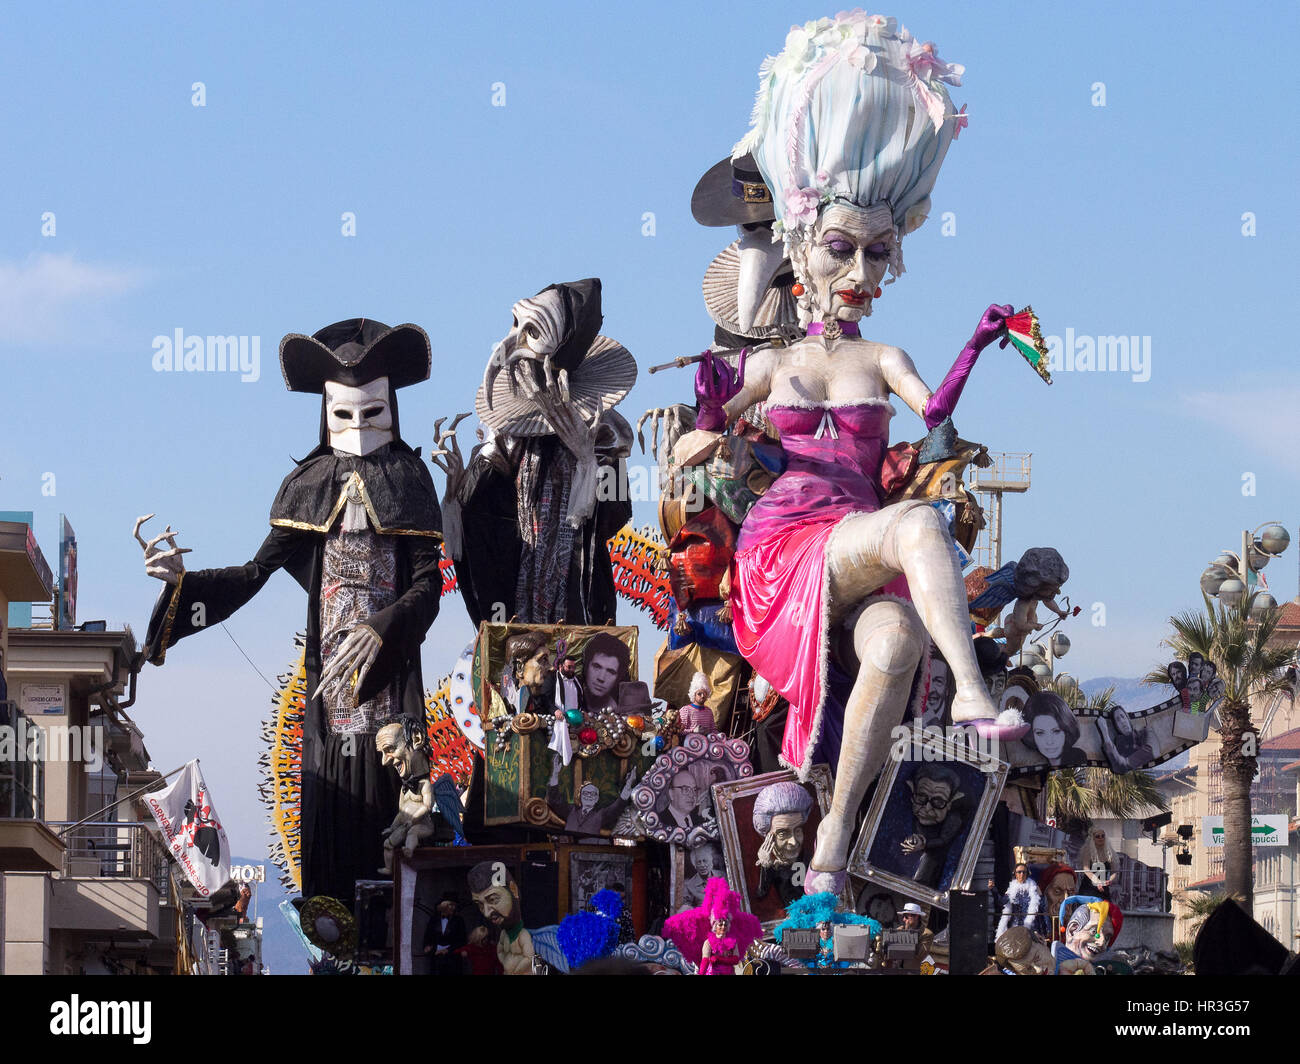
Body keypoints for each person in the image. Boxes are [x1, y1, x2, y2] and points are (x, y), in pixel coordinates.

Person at [696, 15, 1013, 896]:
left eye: (878, 252)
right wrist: (707, 429)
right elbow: (707, 431)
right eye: (843, 248)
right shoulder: (775, 362)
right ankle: (974, 690)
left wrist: (980, 341)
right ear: (804, 247)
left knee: (898, 635)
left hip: (854, 544)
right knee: (914, 521)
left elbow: (937, 411)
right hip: (784, 548)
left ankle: (830, 857)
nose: (863, 270)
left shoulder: (883, 359)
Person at [136, 319, 442, 903]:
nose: (357, 429)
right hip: (329, 693)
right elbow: (255, 574)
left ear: (392, 410)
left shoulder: (410, 479)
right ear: (325, 412)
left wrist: (384, 627)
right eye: (345, 415)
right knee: (331, 800)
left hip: (390, 680)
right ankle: (337, 929)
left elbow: (428, 585)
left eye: (371, 414)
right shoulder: (308, 483)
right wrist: (183, 588)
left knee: (393, 804)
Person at [1021, 691, 1085, 768]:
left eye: (1056, 731)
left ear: (1067, 730)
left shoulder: (1078, 759)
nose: (1049, 741)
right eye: (1040, 733)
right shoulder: (1027, 763)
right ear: (1031, 735)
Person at [989, 862, 1042, 939]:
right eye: (1019, 872)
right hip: (1015, 927)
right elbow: (1001, 902)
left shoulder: (1034, 888)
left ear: (1027, 874)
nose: (1022, 874)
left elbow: (1042, 906)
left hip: (1031, 927)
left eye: (1024, 872)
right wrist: (993, 889)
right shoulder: (1011, 889)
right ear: (1015, 874)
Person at [581, 632, 631, 714]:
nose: (601, 678)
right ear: (586, 666)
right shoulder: (572, 700)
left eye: (611, 672)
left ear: (618, 677)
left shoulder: (620, 714)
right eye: (597, 667)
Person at [1097, 705, 1154, 774]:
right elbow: (1119, 767)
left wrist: (1105, 734)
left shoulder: (1146, 731)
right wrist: (1105, 733)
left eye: (1123, 717)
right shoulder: (1119, 748)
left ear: (1128, 718)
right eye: (1117, 720)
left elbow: (1123, 766)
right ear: (1116, 726)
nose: (1122, 721)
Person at [422, 895, 467, 975]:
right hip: (436, 958)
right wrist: (427, 947)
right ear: (444, 905)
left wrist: (448, 950)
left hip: (453, 959)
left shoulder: (459, 920)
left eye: (454, 905)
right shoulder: (434, 919)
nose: (453, 908)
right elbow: (428, 936)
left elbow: (462, 940)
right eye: (451, 905)